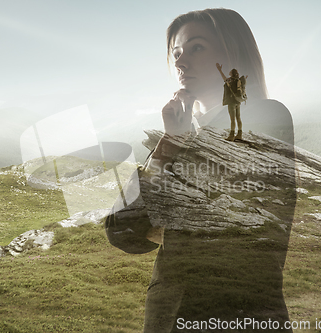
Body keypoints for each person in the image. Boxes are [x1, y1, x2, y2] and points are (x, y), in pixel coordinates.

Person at [105, 8, 296, 332]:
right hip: (168, 319)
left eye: (196, 48)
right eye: (176, 53)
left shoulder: (266, 117)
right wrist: (168, 144)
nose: (180, 63)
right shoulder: (178, 138)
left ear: (233, 52)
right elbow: (122, 232)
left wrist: (163, 217)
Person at [217, 65, 246, 141]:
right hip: (238, 101)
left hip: (231, 102)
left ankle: (231, 135)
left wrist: (220, 70)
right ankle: (239, 134)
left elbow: (224, 79)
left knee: (232, 119)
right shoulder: (238, 80)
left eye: (230, 72)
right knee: (238, 118)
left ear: (231, 73)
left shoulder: (230, 80)